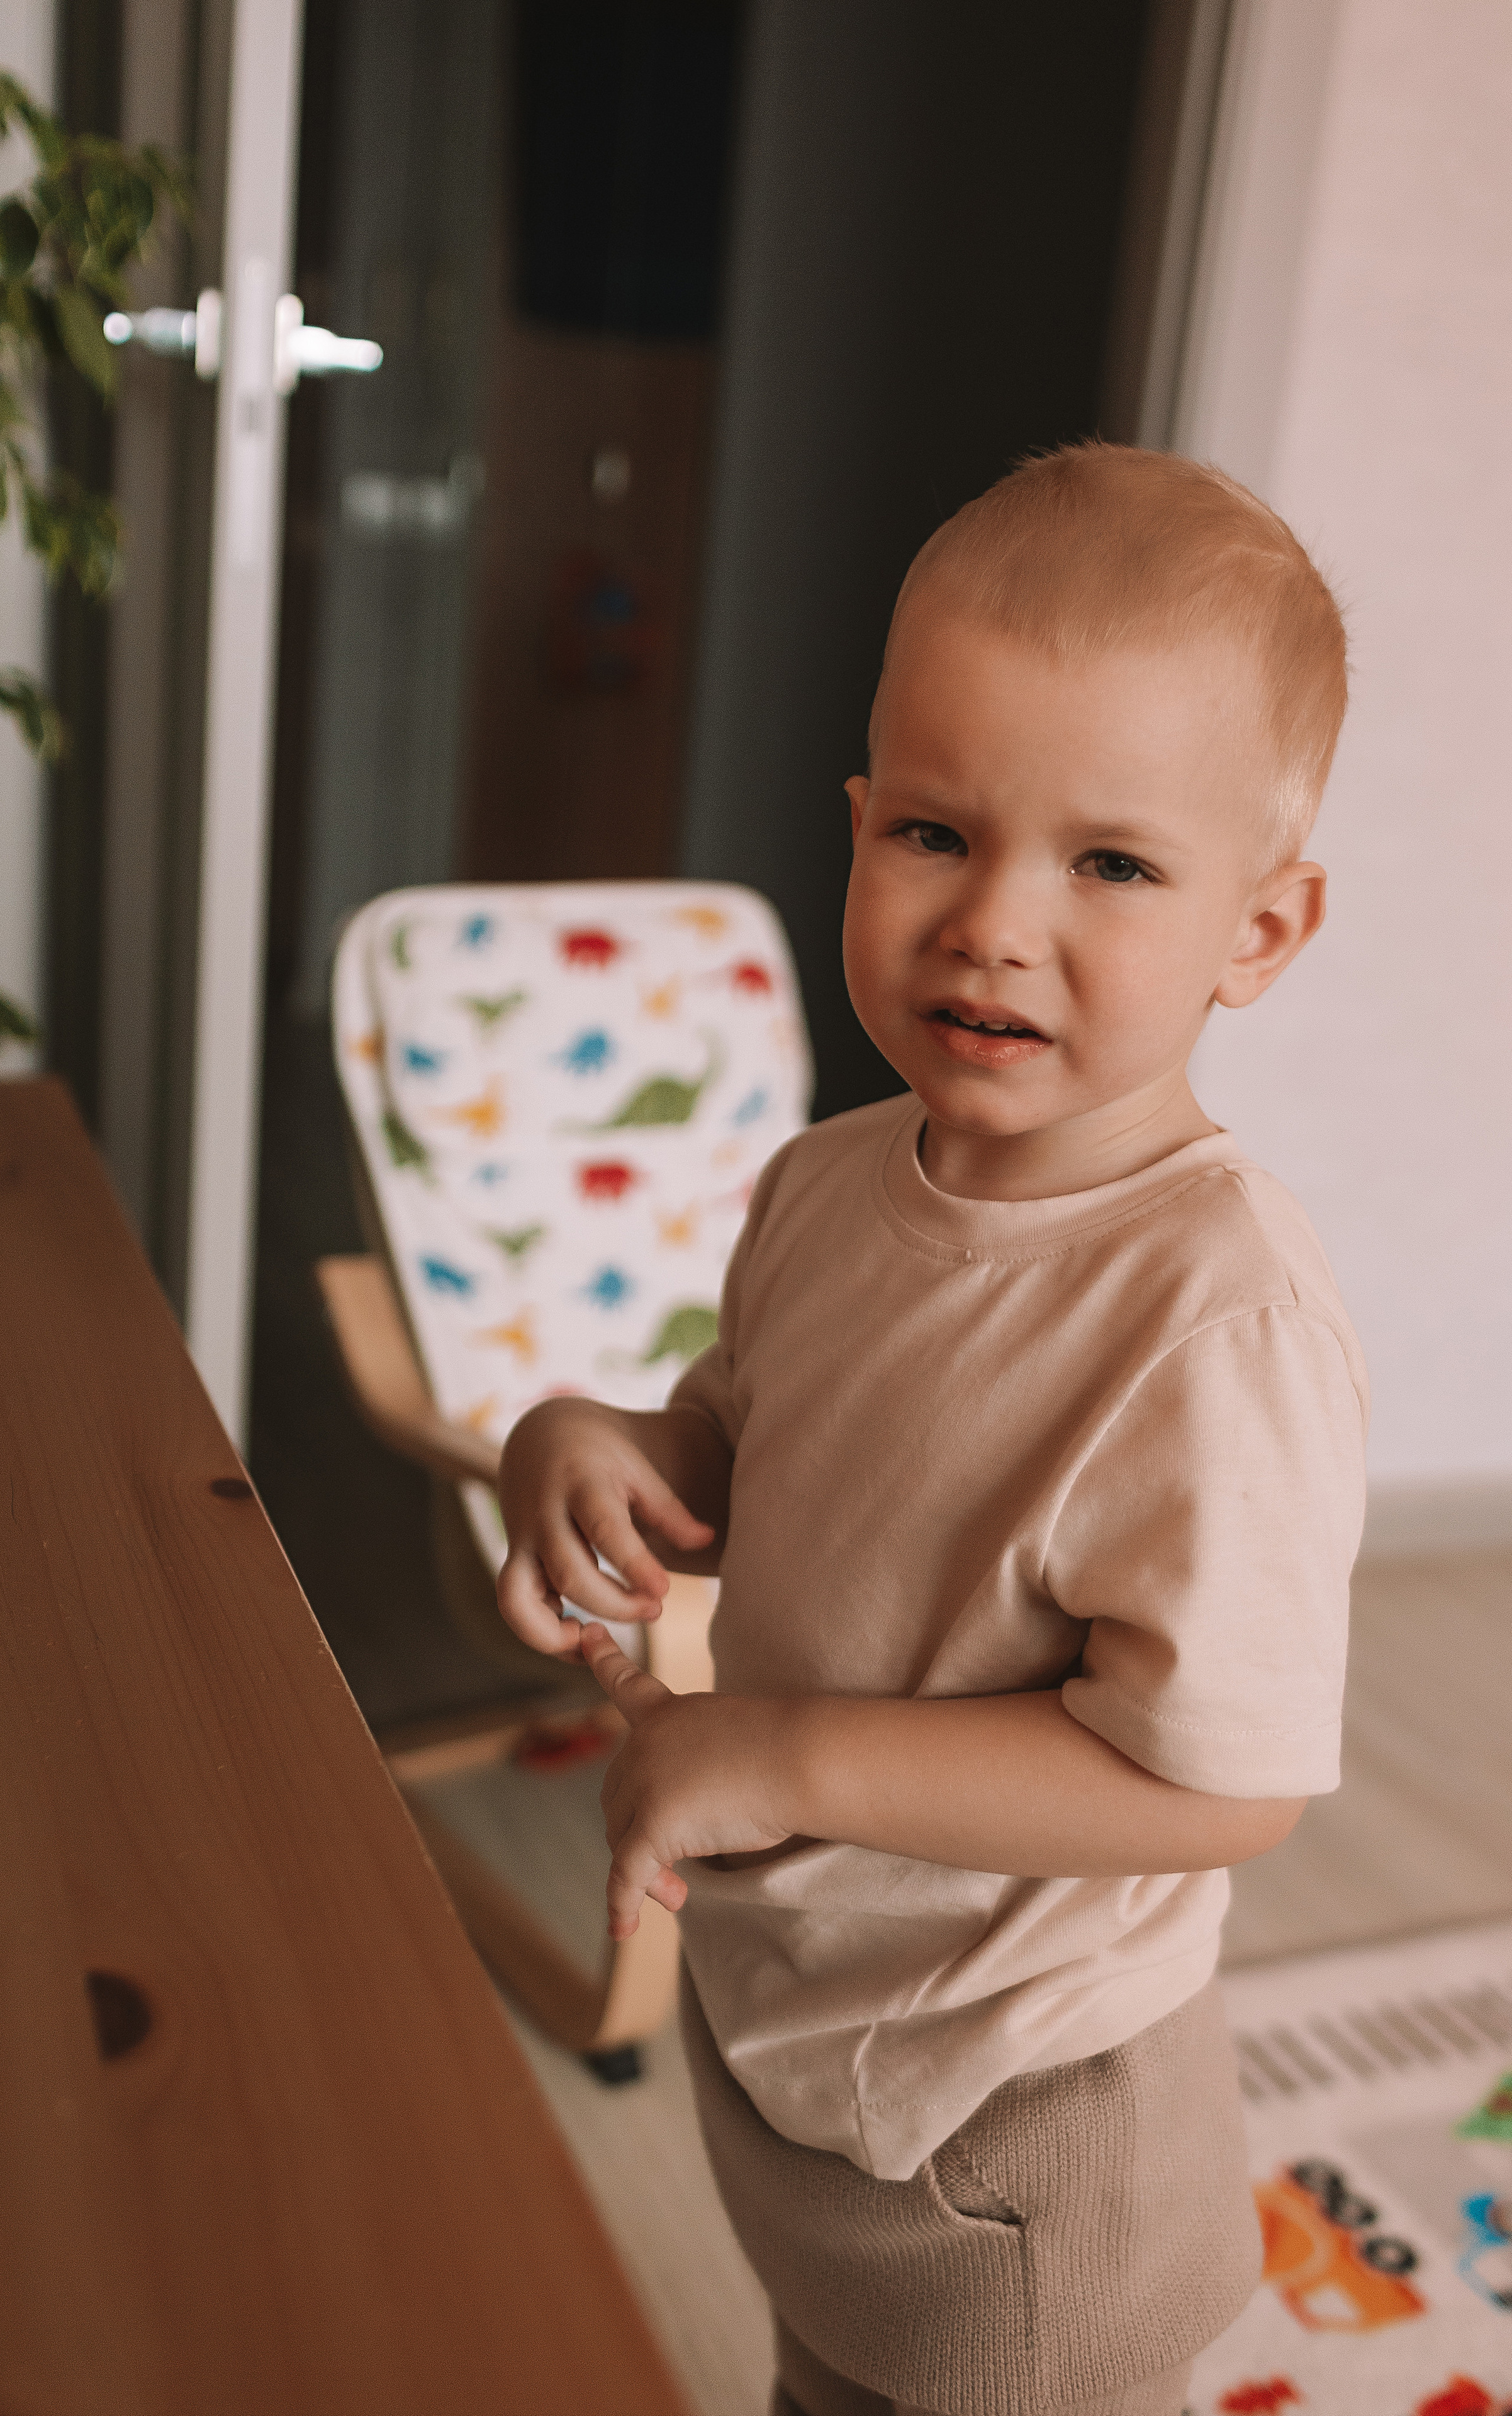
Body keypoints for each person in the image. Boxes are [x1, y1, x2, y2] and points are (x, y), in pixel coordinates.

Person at [495, 442, 1368, 2416]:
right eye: (938, 836)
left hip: (1026, 2122)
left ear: (1260, 932)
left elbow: (1218, 1786)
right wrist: (609, 1438)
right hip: (822, 2037)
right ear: (859, 823)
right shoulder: (825, 1182)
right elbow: (764, 1446)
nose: (995, 924)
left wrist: (783, 1746)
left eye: (1113, 866)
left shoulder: (1213, 1315)